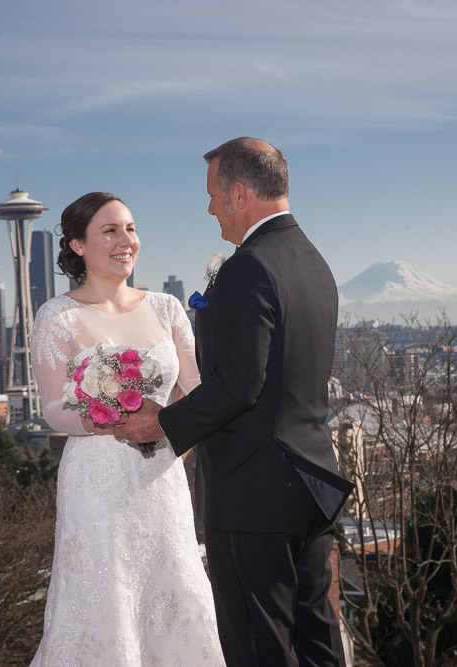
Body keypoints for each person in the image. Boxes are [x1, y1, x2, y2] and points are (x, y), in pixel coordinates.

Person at [119, 138, 354, 666]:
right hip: (313, 485)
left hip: (256, 493)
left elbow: (240, 385)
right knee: (315, 639)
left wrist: (162, 423)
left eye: (212, 195)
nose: (208, 208)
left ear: (240, 194)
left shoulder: (248, 267)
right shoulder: (314, 262)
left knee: (258, 646)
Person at [29, 192, 224, 666]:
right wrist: (104, 417)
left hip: (161, 478)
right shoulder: (57, 316)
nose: (126, 241)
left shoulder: (167, 308)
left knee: (175, 589)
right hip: (95, 483)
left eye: (131, 229)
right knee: (102, 603)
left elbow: (201, 391)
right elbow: (52, 409)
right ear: (77, 244)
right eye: (110, 231)